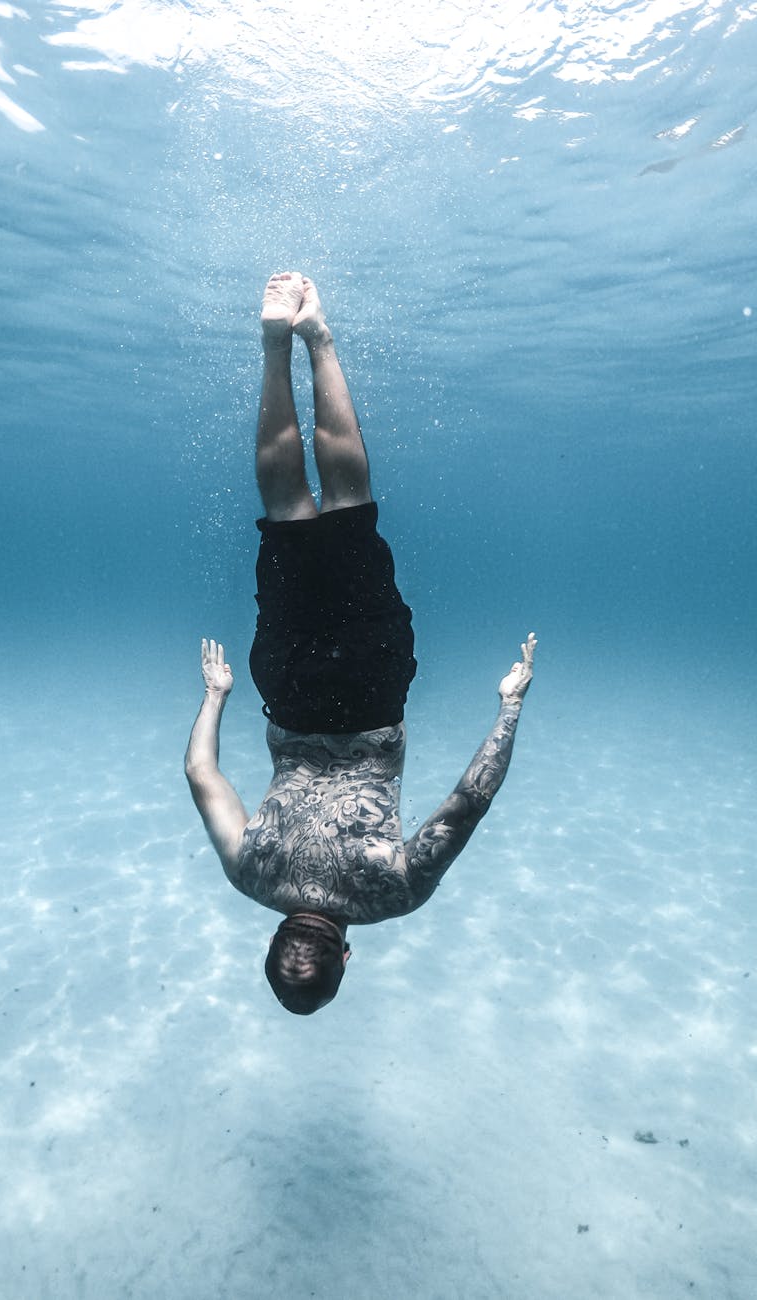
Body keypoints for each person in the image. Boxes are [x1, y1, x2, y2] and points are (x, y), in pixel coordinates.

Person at [185, 272, 536, 1015]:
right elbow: (199, 774)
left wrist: (508, 708)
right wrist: (216, 697)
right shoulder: (248, 876)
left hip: (371, 692)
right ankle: (276, 343)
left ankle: (320, 337)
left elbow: (467, 803)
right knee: (286, 508)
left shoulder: (392, 895)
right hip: (283, 688)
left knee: (348, 507)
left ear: (345, 956)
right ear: (274, 939)